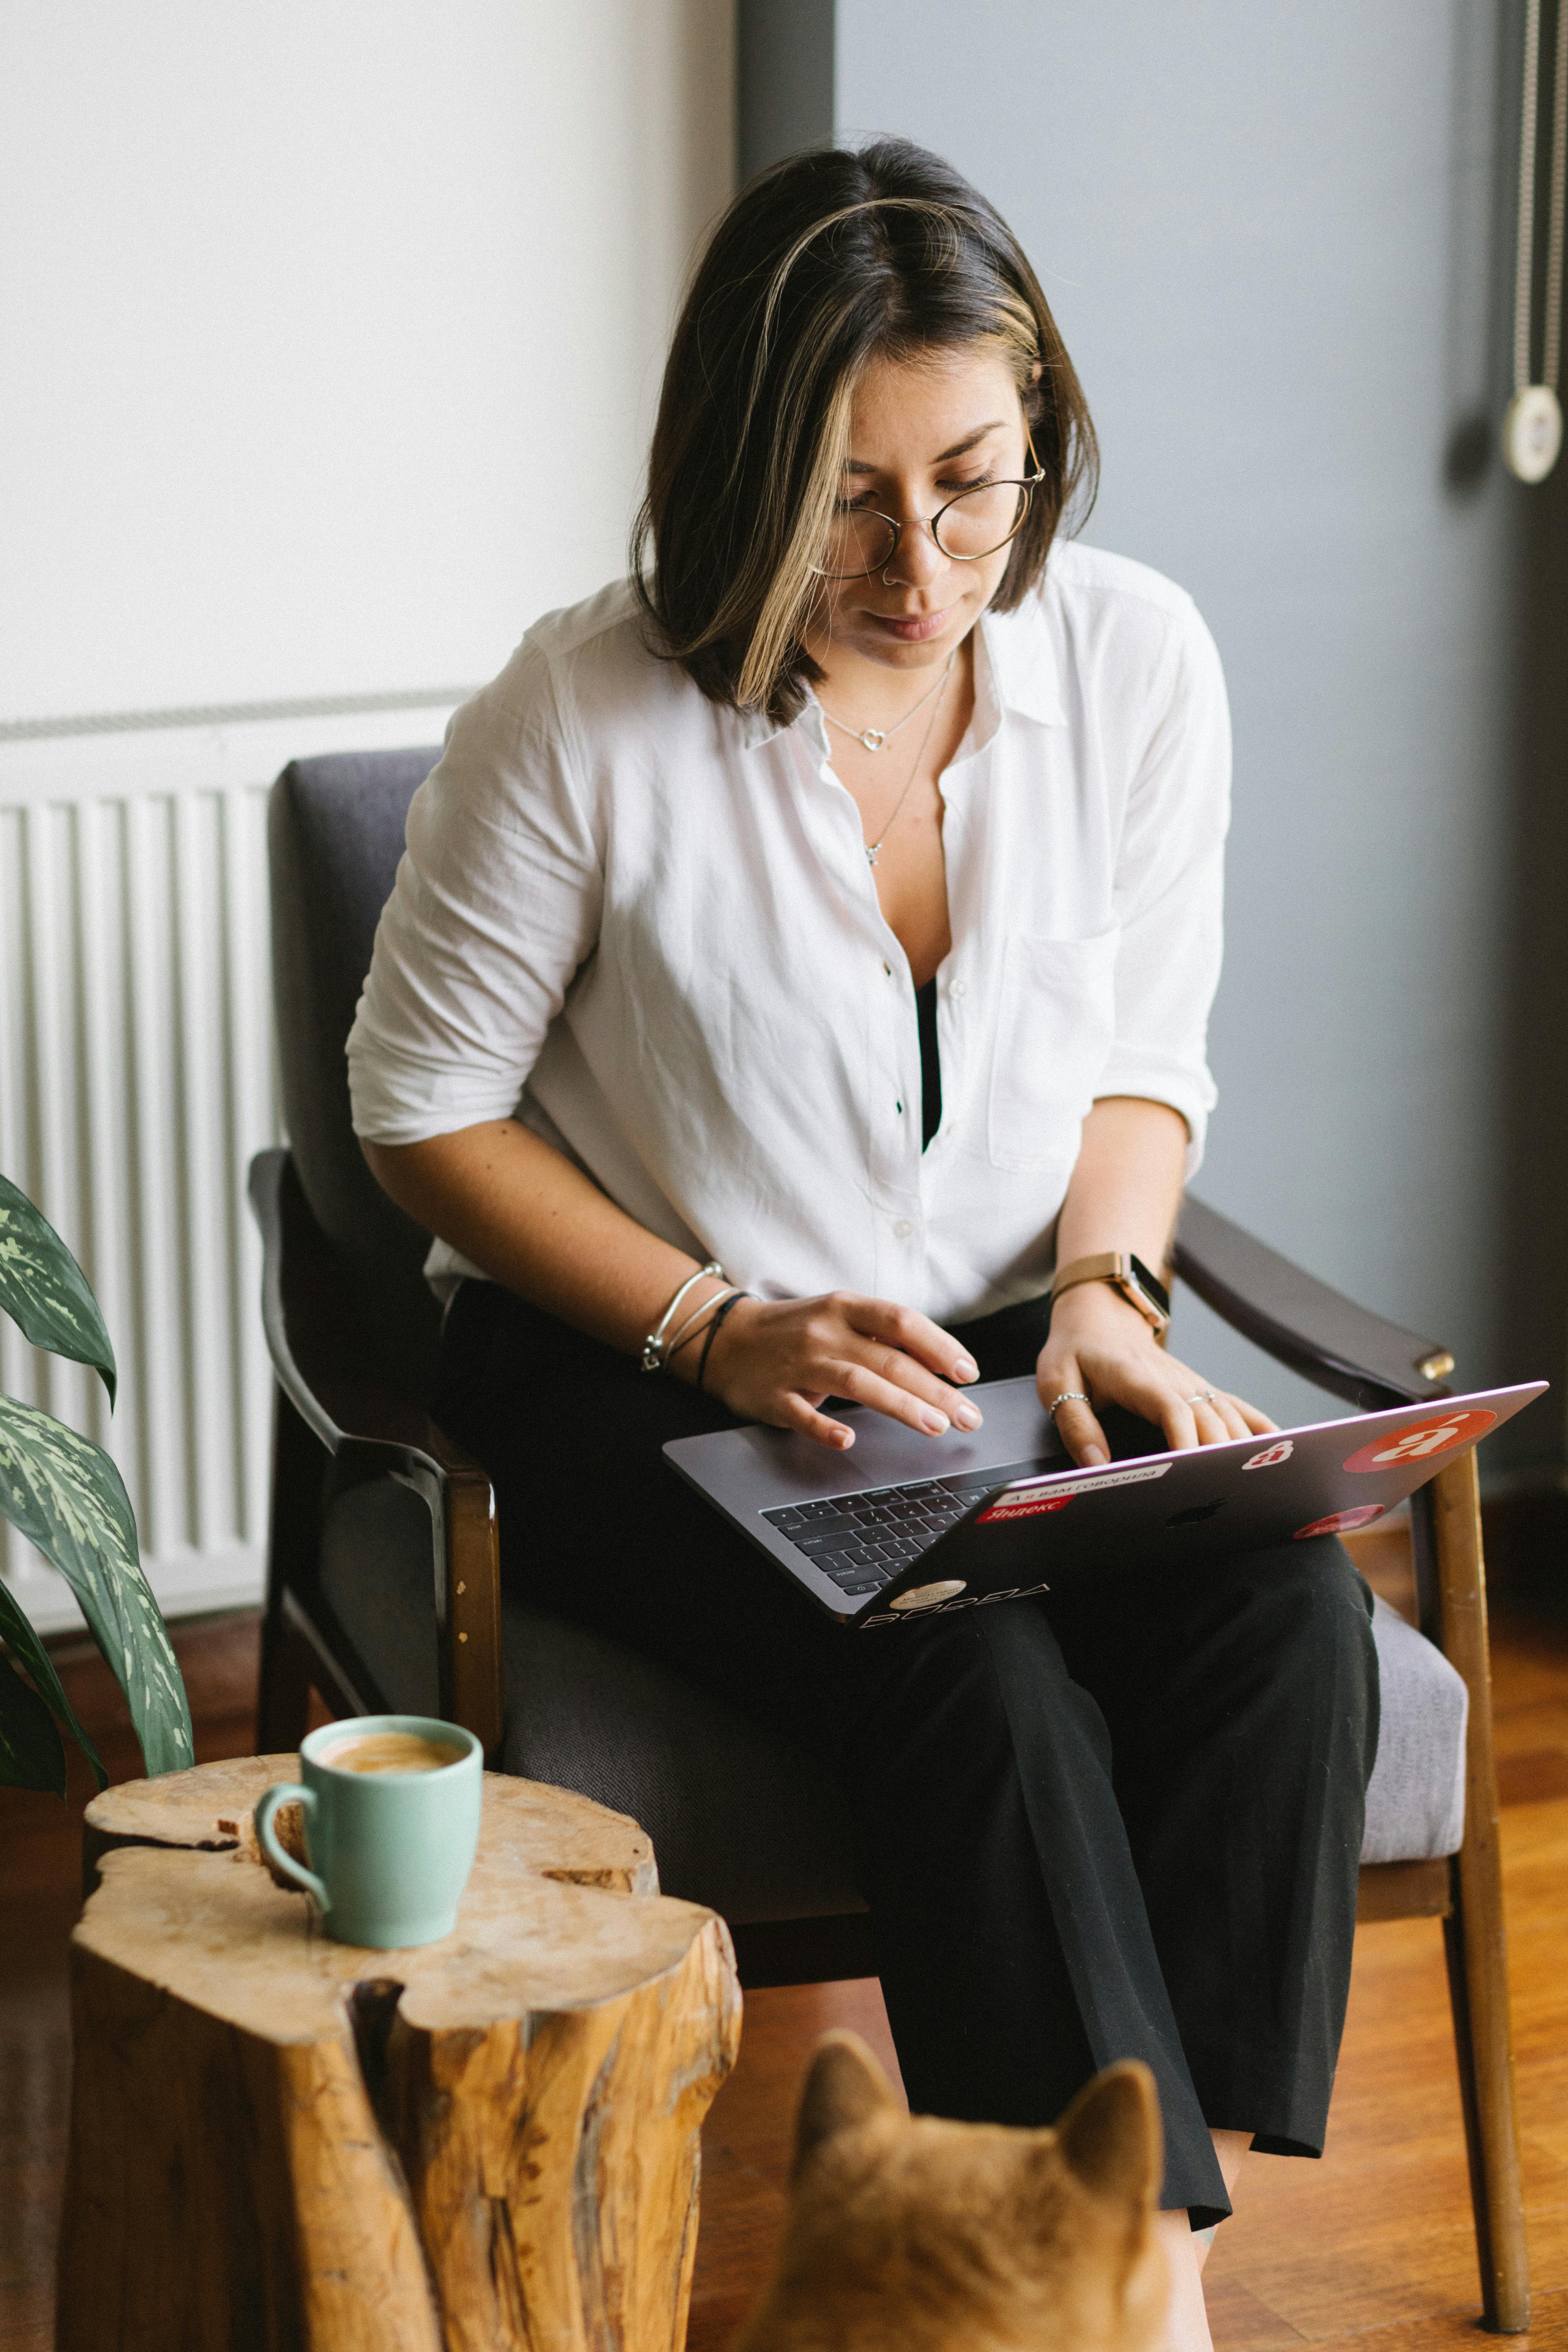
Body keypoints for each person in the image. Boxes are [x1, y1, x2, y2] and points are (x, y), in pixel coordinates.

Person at [348, 138, 1378, 2352]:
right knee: (964, 1662)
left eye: (976, 484)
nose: (924, 565)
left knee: (1286, 1615)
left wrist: (1106, 1290)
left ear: (1041, 439)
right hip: (633, 1358)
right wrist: (712, 1325)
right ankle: (1126, 2311)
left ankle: (1128, 2275)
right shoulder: (577, 716)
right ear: (737, 470)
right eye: (846, 499)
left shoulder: (1136, 661)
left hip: (1006, 1333)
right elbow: (415, 1110)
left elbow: (1142, 1055)